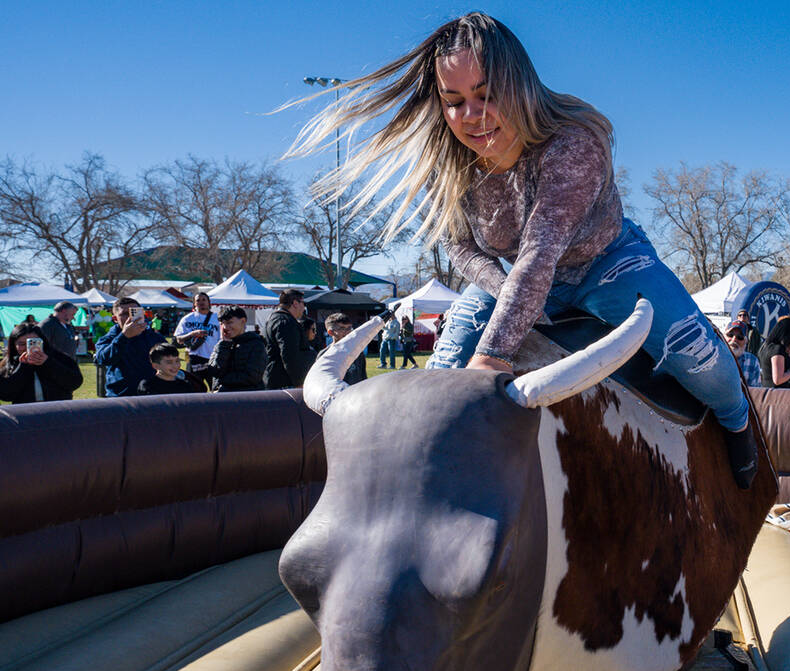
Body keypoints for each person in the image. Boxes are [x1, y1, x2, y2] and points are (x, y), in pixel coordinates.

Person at [287, 13, 759, 486]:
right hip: (511, 275)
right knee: (442, 369)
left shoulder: (574, 143)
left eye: (486, 94)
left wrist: (493, 354)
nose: (472, 115)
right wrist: (504, 292)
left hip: (605, 263)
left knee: (701, 361)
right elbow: (463, 249)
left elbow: (541, 250)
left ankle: (738, 422)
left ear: (520, 85)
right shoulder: (447, 162)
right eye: (454, 101)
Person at [94, 297, 167, 397]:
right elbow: (102, 359)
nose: (130, 317)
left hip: (152, 395)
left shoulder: (155, 338)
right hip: (121, 396)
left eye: (134, 312)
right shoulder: (108, 339)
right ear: (115, 319)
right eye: (124, 314)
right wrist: (124, 336)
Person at [0, 322, 83, 403]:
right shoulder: (9, 363)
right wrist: (23, 367)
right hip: (25, 413)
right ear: (14, 345)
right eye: (21, 344)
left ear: (42, 341)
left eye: (33, 343)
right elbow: (6, 395)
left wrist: (48, 363)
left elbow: (75, 382)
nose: (27, 347)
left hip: (57, 410)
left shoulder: (58, 357)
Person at [203, 306, 268, 392]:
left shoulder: (256, 345)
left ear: (243, 321)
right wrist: (224, 344)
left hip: (247, 398)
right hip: (221, 398)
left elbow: (252, 377)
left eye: (230, 322)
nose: (225, 327)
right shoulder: (221, 344)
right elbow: (214, 370)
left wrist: (223, 379)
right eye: (222, 323)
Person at [263, 290, 316, 389]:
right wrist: (298, 382)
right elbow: (289, 355)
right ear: (295, 303)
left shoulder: (274, 318)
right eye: (303, 303)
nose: (304, 308)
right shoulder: (285, 322)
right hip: (285, 383)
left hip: (276, 379)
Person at [174, 292, 220, 369]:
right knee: (193, 381)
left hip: (212, 357)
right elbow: (179, 339)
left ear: (209, 302)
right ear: (194, 304)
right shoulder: (187, 319)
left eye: (204, 300)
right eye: (198, 300)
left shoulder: (217, 319)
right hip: (193, 357)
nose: (201, 302)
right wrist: (192, 334)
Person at [136, 344, 203, 395]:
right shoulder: (147, 385)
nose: (175, 366)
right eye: (169, 362)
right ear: (155, 366)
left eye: (177, 361)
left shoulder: (185, 386)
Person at [322, 312, 367, 385]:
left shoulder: (357, 352)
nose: (347, 332)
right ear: (331, 332)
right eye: (342, 329)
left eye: (349, 328)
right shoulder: (324, 355)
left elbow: (363, 379)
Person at [724, 321, 761, 388]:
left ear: (746, 341)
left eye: (740, 337)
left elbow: (755, 393)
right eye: (730, 335)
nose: (734, 339)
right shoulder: (714, 358)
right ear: (723, 337)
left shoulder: (752, 361)